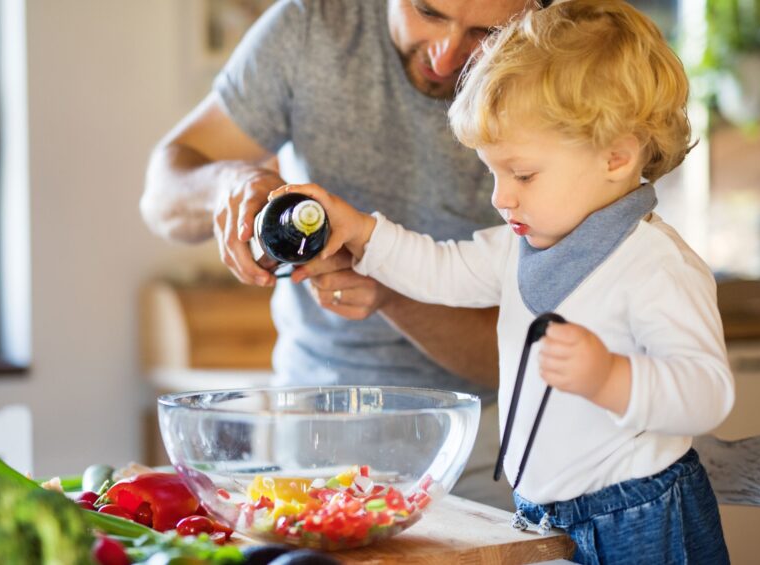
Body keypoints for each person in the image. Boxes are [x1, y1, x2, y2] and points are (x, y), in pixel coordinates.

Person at [271, 1, 735, 563]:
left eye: (522, 173)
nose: (500, 195)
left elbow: (708, 392)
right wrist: (360, 231)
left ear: (616, 156)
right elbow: (437, 269)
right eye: (493, 171)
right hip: (540, 512)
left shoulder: (655, 266)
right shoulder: (519, 245)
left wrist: (610, 377)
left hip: (638, 516)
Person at [140, 0, 542, 508]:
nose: (445, 58)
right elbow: (161, 197)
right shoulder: (313, 24)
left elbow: (515, 361)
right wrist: (230, 183)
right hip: (309, 430)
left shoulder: (550, 60)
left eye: (487, 33)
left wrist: (390, 293)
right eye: (428, 13)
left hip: (484, 443)